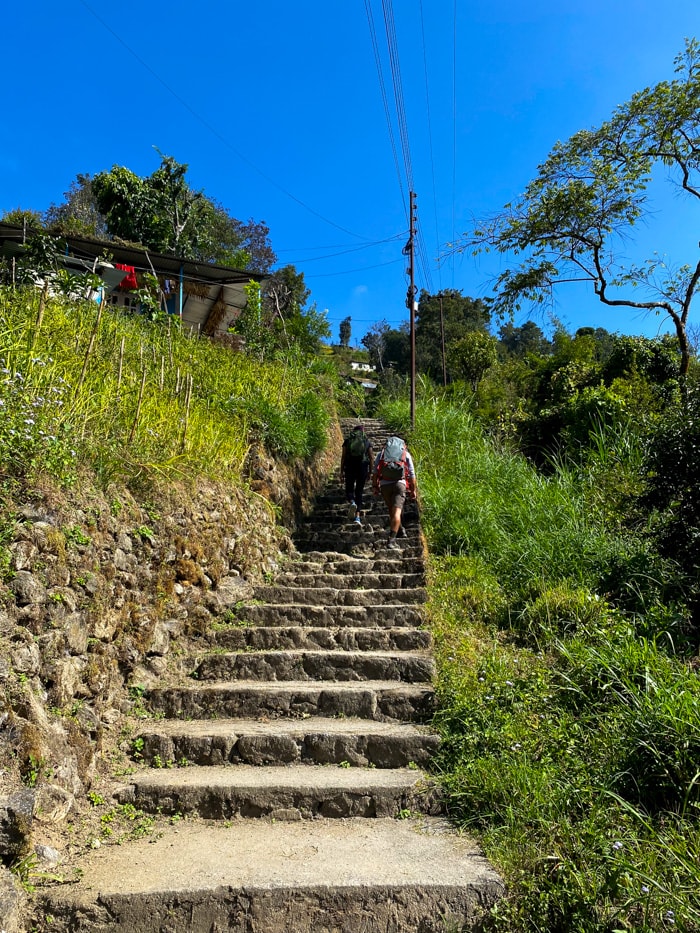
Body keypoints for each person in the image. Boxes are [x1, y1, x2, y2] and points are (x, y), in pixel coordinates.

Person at [372, 436, 418, 549]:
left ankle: (400, 529)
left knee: (391, 510)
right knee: (396, 512)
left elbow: (375, 472)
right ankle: (391, 540)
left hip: (384, 485)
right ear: (403, 445)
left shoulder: (382, 453)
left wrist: (375, 486)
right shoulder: (405, 454)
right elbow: (412, 474)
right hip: (399, 484)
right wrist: (413, 490)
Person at [339, 424, 374, 525]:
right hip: (362, 467)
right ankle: (357, 518)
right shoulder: (366, 441)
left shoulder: (348, 440)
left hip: (349, 467)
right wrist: (370, 472)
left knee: (349, 490)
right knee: (359, 492)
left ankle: (352, 502)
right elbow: (371, 457)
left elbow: (343, 457)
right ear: (363, 431)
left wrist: (341, 472)